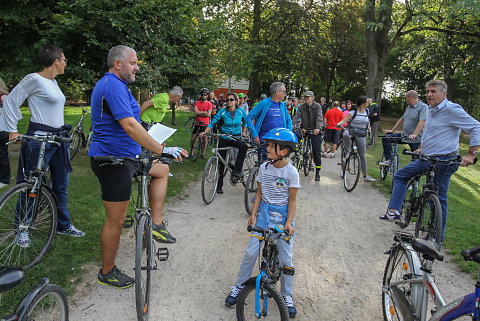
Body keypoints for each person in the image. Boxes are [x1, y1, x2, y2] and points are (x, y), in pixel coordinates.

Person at [89, 45, 187, 289]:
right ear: (118, 64)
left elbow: (138, 123)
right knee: (117, 219)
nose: (137, 67)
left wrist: (155, 144)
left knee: (161, 170)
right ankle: (107, 271)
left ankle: (155, 223)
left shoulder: (121, 86)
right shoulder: (111, 84)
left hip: (130, 156)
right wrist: (161, 149)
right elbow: (130, 126)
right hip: (112, 161)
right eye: (133, 63)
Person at [0, 45, 85, 247]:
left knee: (61, 186)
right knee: (31, 185)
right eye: (64, 60)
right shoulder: (34, 79)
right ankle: (22, 228)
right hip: (39, 140)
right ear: (56, 61)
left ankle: (63, 225)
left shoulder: (53, 83)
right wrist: (12, 129)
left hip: (58, 140)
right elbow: (12, 99)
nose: (66, 63)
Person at [379, 80, 479, 243]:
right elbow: (433, 132)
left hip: (445, 161)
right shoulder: (430, 109)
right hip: (427, 157)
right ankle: (393, 211)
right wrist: (422, 148)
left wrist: (471, 153)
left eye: (433, 91)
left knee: (439, 198)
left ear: (444, 93)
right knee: (400, 175)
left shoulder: (451, 109)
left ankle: (435, 238)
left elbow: (476, 127)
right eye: (427, 92)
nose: (429, 95)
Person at [224, 127, 300, 318]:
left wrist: (289, 223)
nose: (267, 148)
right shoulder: (264, 169)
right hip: (265, 213)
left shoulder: (292, 173)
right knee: (251, 252)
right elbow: (258, 193)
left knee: (286, 259)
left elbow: (292, 201)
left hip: (283, 217)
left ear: (283, 151)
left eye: (271, 146)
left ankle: (287, 295)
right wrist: (253, 213)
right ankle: (239, 287)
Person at [200, 93, 255, 194]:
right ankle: (219, 185)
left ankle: (237, 171)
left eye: (231, 100)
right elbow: (212, 123)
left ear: (236, 101)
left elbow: (246, 121)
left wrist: (243, 131)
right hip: (224, 137)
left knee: (244, 147)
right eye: (227, 100)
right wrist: (205, 132)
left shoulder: (241, 111)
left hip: (235, 137)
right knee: (221, 163)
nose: (229, 102)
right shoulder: (222, 111)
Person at [378, 90, 427, 166]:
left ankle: (414, 177)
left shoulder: (423, 107)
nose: (405, 99)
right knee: (386, 138)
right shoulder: (409, 107)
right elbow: (402, 119)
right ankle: (389, 160)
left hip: (416, 139)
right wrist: (392, 130)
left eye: (405, 98)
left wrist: (415, 134)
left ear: (410, 97)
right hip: (404, 135)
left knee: (416, 162)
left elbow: (422, 121)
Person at [246, 82, 292, 160]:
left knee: (278, 164)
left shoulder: (282, 105)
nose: (285, 94)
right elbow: (249, 117)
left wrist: (288, 134)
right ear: (277, 92)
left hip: (279, 140)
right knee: (265, 165)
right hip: (264, 140)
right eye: (284, 91)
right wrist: (254, 135)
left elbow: (288, 120)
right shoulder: (264, 103)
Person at [336, 96, 376, 182]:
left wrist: (369, 128)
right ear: (362, 104)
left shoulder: (367, 111)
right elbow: (345, 120)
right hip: (352, 132)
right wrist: (339, 123)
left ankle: (365, 175)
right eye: (366, 102)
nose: (368, 103)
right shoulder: (353, 112)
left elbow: (367, 121)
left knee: (362, 155)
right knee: (346, 134)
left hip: (361, 134)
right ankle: (348, 150)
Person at [292, 91, 323, 181]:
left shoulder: (317, 106)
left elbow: (319, 117)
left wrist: (317, 128)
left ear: (312, 98)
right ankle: (297, 156)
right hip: (305, 129)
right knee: (298, 140)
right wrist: (291, 124)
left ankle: (317, 171)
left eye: (308, 97)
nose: (306, 98)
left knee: (316, 150)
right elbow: (296, 116)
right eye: (305, 97)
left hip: (315, 131)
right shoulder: (302, 107)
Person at [190, 88, 212, 159]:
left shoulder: (209, 103)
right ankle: (192, 152)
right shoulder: (197, 102)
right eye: (202, 95)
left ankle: (203, 153)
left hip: (205, 124)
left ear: (207, 95)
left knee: (205, 139)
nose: (203, 96)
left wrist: (199, 113)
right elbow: (195, 112)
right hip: (197, 123)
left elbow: (208, 114)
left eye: (205, 95)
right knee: (193, 138)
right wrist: (203, 112)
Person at [0, 78, 10, 189]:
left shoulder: (4, 98)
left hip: (3, 130)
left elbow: (14, 112)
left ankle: (4, 179)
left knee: (2, 154)